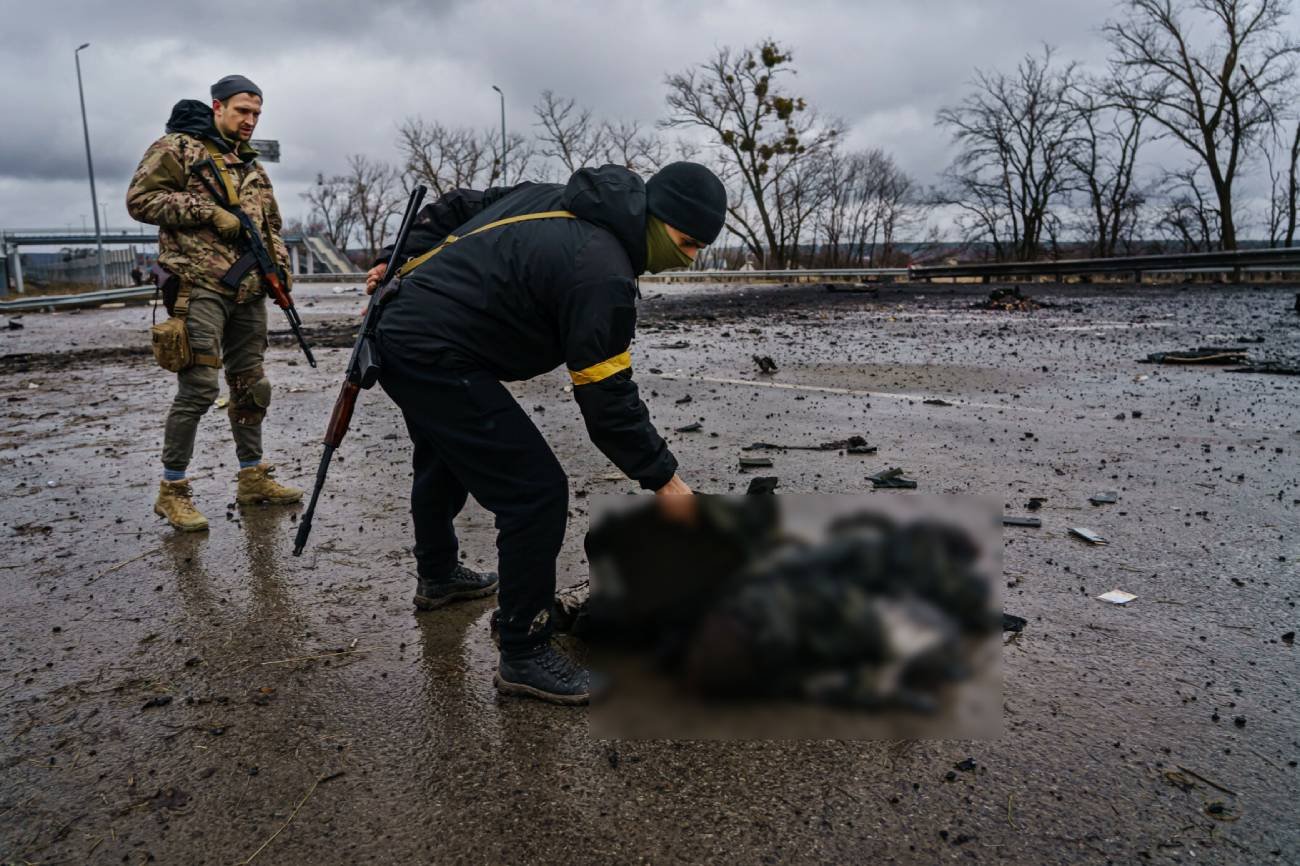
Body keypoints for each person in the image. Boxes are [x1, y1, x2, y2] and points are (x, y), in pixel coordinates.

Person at [366, 161, 727, 704]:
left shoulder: (561, 197)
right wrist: (668, 485)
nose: (690, 256)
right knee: (534, 493)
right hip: (430, 349)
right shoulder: (603, 271)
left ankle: (438, 577)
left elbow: (458, 203)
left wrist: (394, 263)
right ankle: (525, 651)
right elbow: (608, 403)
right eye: (687, 240)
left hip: (412, 329)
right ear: (656, 216)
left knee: (447, 452)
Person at [127, 74, 302, 532]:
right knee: (200, 388)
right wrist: (208, 212)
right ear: (218, 106)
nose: (250, 120)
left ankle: (252, 477)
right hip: (198, 285)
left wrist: (279, 271)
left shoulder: (250, 166)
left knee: (251, 386)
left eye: (257, 114)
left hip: (248, 291)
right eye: (243, 111)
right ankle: (173, 490)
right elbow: (141, 199)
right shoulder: (179, 148)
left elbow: (271, 227)